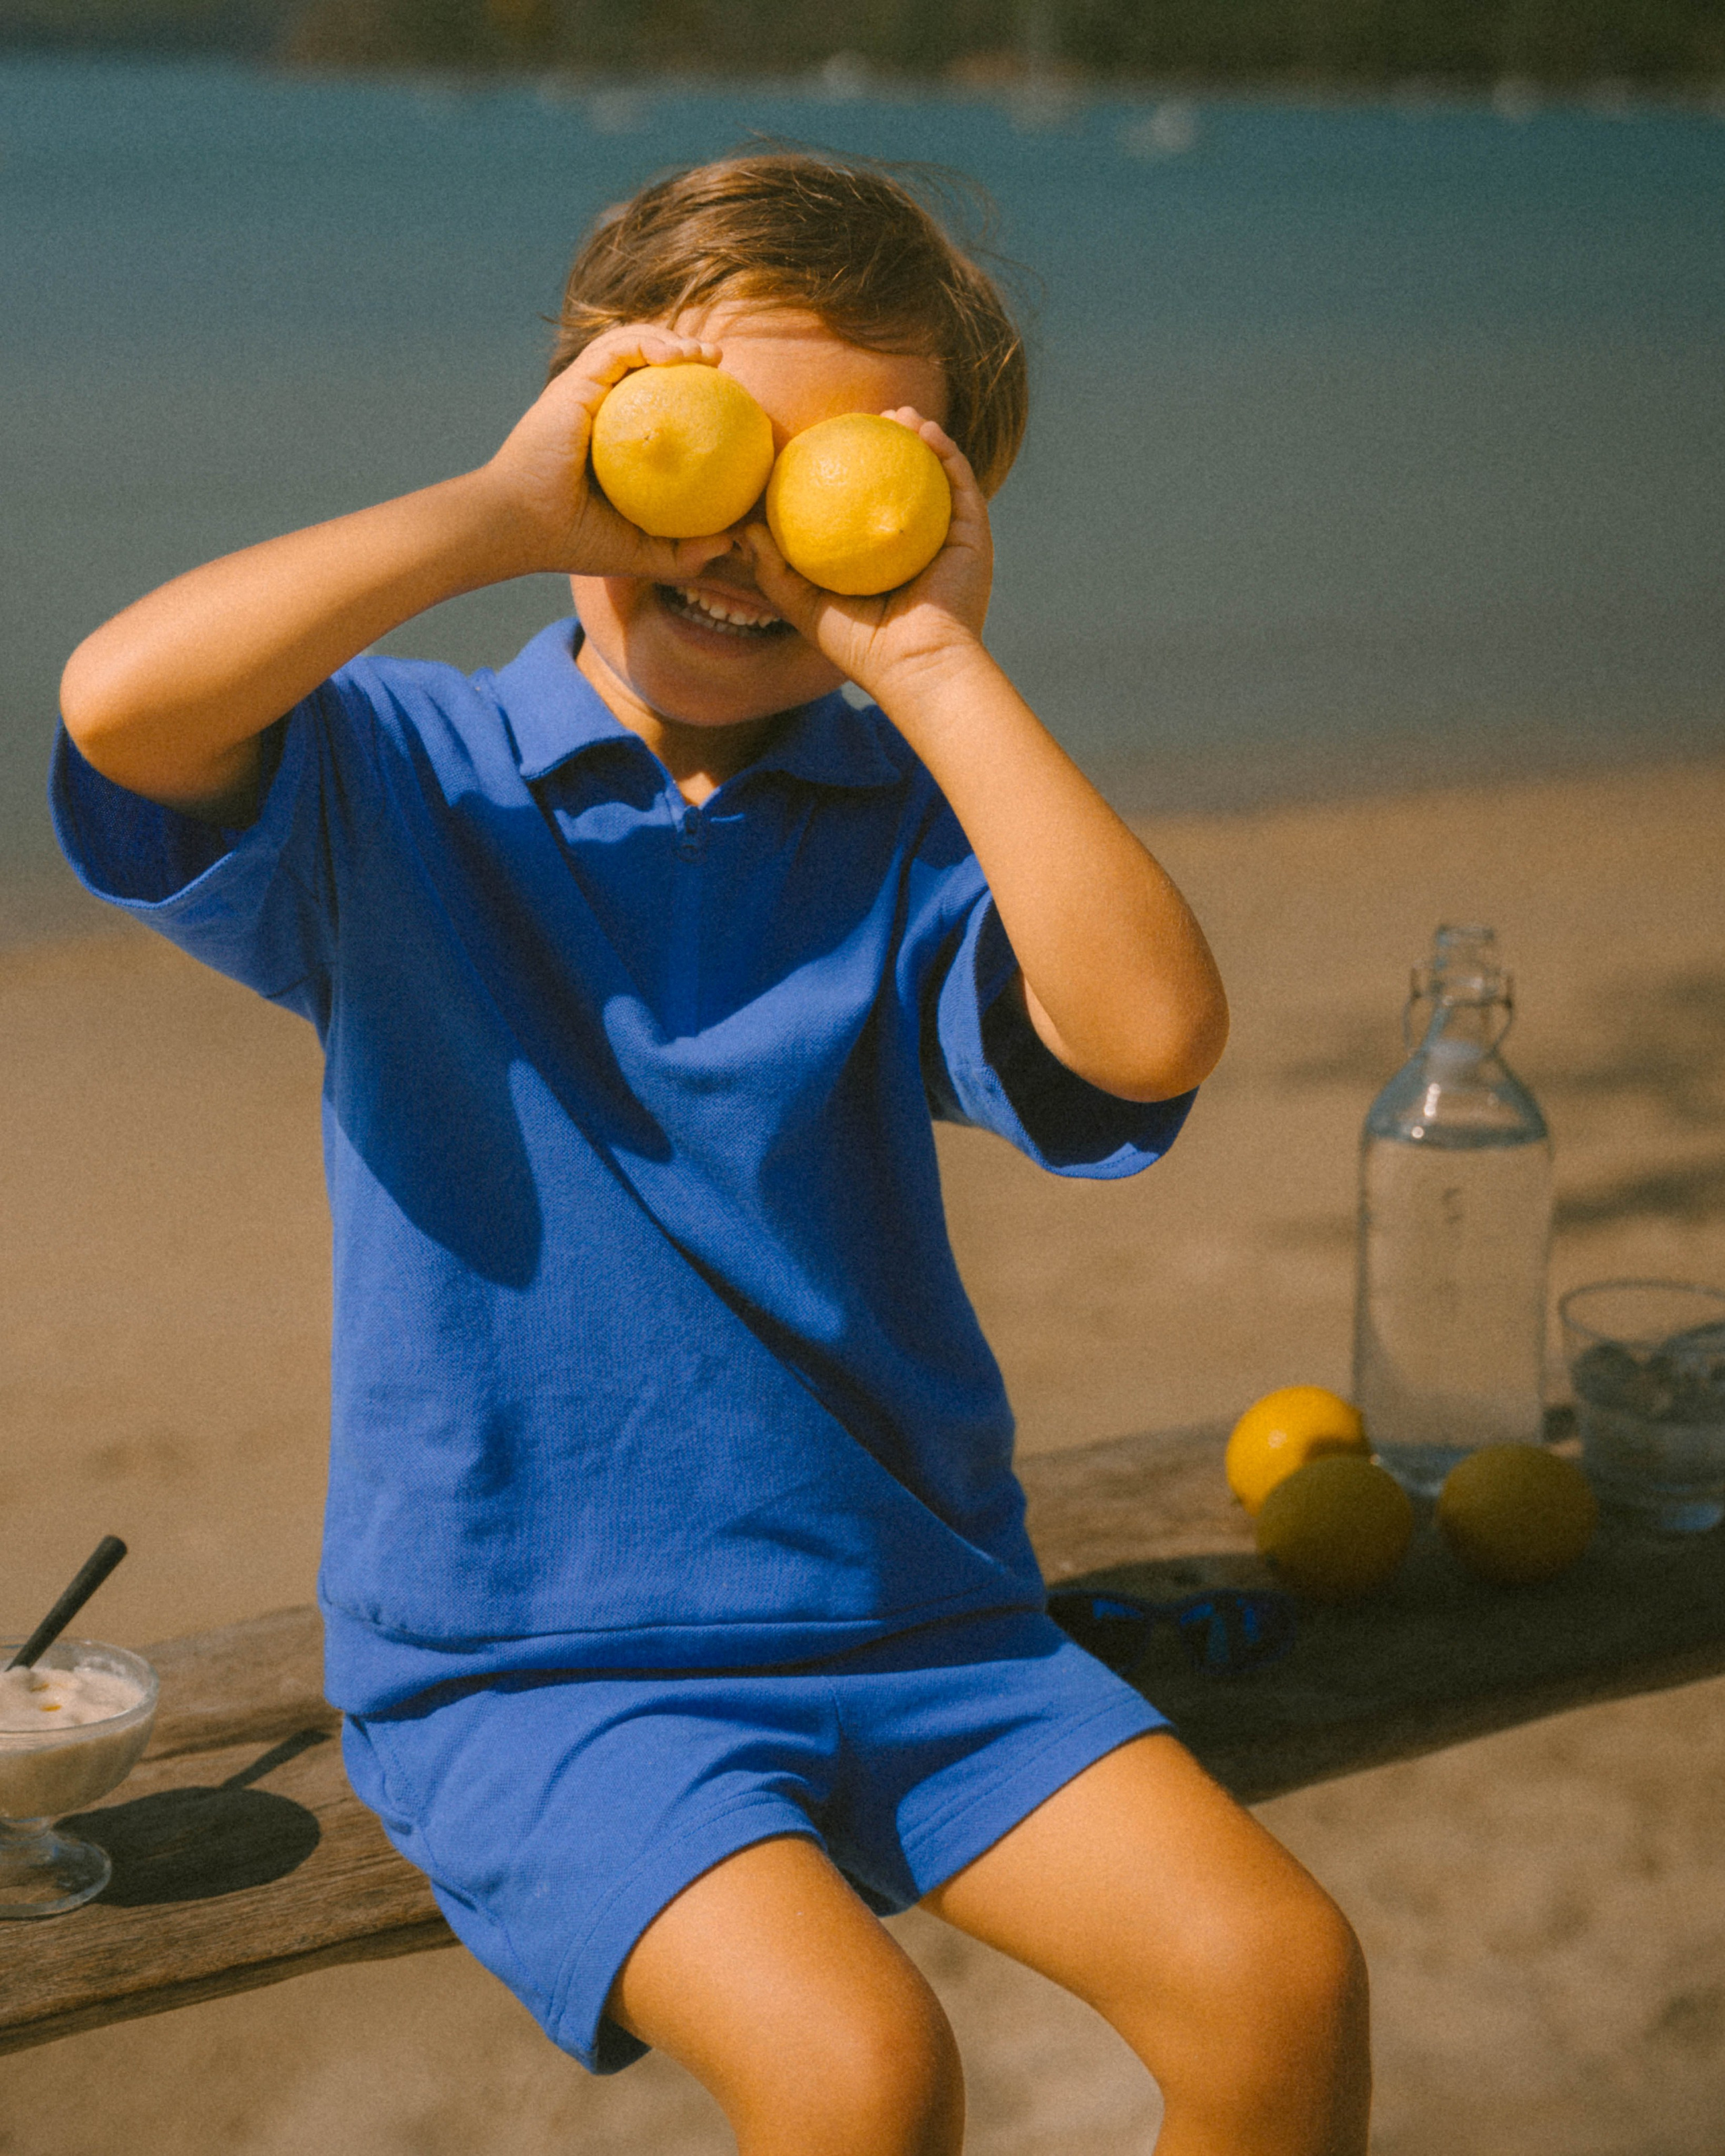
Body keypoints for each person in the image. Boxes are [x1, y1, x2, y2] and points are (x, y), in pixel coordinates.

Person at [53, 152, 1369, 2154]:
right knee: (859, 2069)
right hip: (540, 1669)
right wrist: (505, 514)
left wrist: (929, 666)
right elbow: (119, 703)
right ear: (602, 426)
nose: (756, 534)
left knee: (1281, 1982)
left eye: (841, 476)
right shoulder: (398, 778)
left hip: (926, 1617)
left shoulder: (918, 822)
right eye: (708, 450)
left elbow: (1151, 1035)